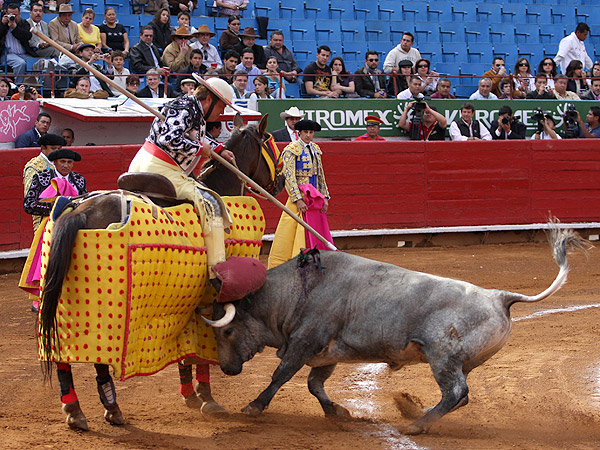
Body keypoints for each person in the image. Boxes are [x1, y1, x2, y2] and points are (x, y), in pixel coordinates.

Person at [128, 76, 260, 305]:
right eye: (221, 107)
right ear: (209, 99)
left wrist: (218, 148)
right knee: (210, 202)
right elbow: (168, 138)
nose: (222, 114)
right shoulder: (187, 106)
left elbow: (194, 135)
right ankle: (216, 273)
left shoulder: (191, 109)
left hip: (149, 163)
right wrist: (203, 150)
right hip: (163, 168)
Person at [267, 119, 332, 269]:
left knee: (316, 227)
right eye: (305, 132)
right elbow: (289, 176)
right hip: (301, 197)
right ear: (299, 133)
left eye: (311, 132)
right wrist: (297, 199)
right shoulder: (291, 149)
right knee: (294, 229)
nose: (308, 135)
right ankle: (294, 261)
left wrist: (325, 197)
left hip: (314, 197)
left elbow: (320, 174)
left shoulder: (315, 149)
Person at [22, 130, 62, 229]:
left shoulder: (61, 164)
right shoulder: (34, 167)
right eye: (53, 148)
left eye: (59, 148)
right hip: (42, 217)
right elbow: (30, 199)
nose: (57, 151)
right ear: (43, 147)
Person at [0, 3, 36, 84]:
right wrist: (2, 25)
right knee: (20, 63)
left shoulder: (23, 23)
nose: (13, 17)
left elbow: (28, 36)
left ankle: (34, 85)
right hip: (6, 55)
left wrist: (15, 28)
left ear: (19, 14)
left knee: (35, 62)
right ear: (6, 14)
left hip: (23, 53)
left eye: (15, 15)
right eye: (10, 15)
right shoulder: (1, 23)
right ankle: (19, 86)